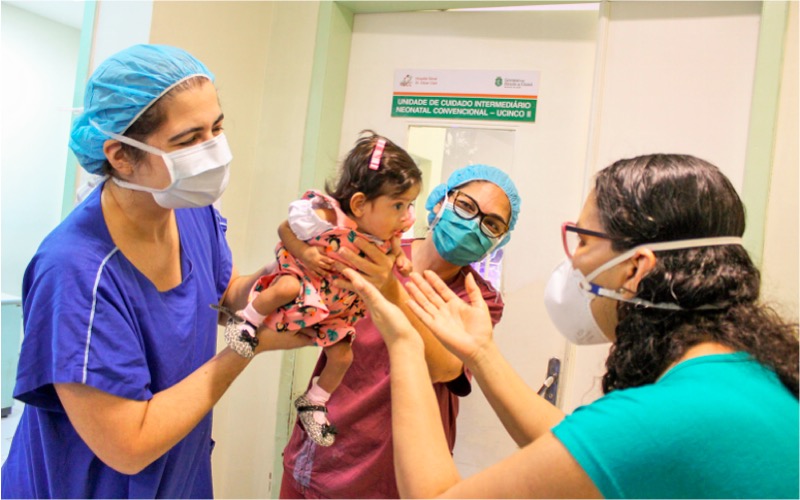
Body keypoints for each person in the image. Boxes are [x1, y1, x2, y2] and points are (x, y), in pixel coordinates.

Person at [344, 153, 799, 498]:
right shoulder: (742, 376)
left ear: (635, 267)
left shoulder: (662, 417)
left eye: (582, 239)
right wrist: (481, 354)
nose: (572, 260)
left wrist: (404, 336)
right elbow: (574, 442)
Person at [0, 44, 313, 499]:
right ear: (121, 155)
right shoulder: (75, 272)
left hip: (177, 480)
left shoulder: (189, 209)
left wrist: (282, 275)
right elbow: (129, 445)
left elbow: (225, 292)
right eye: (188, 140)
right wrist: (249, 345)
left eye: (217, 128)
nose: (213, 151)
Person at [280, 164, 521, 498]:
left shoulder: (477, 298)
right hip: (325, 452)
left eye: (491, 224)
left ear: (500, 240)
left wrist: (391, 289)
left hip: (397, 469)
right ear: (440, 201)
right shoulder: (373, 251)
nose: (472, 225)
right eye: (466, 206)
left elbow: (447, 367)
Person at [228, 132, 420, 447]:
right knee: (285, 287)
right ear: (359, 204)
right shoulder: (325, 215)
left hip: (336, 304)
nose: (406, 215)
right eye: (398, 205)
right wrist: (304, 253)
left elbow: (395, 251)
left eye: (410, 204)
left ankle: (314, 401)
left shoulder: (386, 232)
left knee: (343, 356)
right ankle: (245, 320)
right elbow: (284, 229)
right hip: (304, 276)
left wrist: (400, 261)